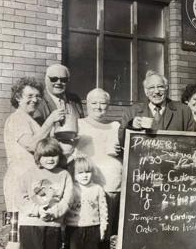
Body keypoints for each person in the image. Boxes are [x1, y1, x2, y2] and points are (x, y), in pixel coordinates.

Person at [3, 77, 66, 247]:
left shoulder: (32, 120)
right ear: (18, 97)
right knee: (16, 237)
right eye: (29, 95)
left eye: (38, 96)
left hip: (33, 183)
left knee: (33, 235)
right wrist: (50, 121)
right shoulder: (17, 118)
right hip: (18, 181)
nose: (35, 100)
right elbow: (31, 145)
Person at [73, 88, 122, 248]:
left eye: (103, 103)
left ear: (108, 106)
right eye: (94, 102)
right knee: (87, 232)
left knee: (106, 234)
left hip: (112, 187)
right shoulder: (79, 124)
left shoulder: (115, 126)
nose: (98, 106)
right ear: (87, 104)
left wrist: (120, 151)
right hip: (88, 187)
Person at [17, 137, 73, 249]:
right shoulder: (29, 174)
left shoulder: (64, 175)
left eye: (54, 155)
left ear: (60, 156)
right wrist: (37, 210)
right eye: (46, 156)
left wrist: (53, 213)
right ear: (38, 157)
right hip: (30, 224)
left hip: (52, 225)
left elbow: (68, 199)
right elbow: (20, 198)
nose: (50, 159)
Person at [119, 70, 196, 143]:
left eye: (160, 86)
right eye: (151, 87)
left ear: (166, 88)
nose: (156, 91)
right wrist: (131, 125)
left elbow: (193, 140)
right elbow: (122, 141)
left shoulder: (183, 111)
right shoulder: (132, 111)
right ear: (146, 91)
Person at [66, 155, 108, 249]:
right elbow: (65, 208)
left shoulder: (97, 188)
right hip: (74, 228)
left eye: (87, 172)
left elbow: (103, 210)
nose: (84, 175)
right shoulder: (71, 189)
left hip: (93, 227)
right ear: (74, 175)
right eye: (80, 173)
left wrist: (103, 227)